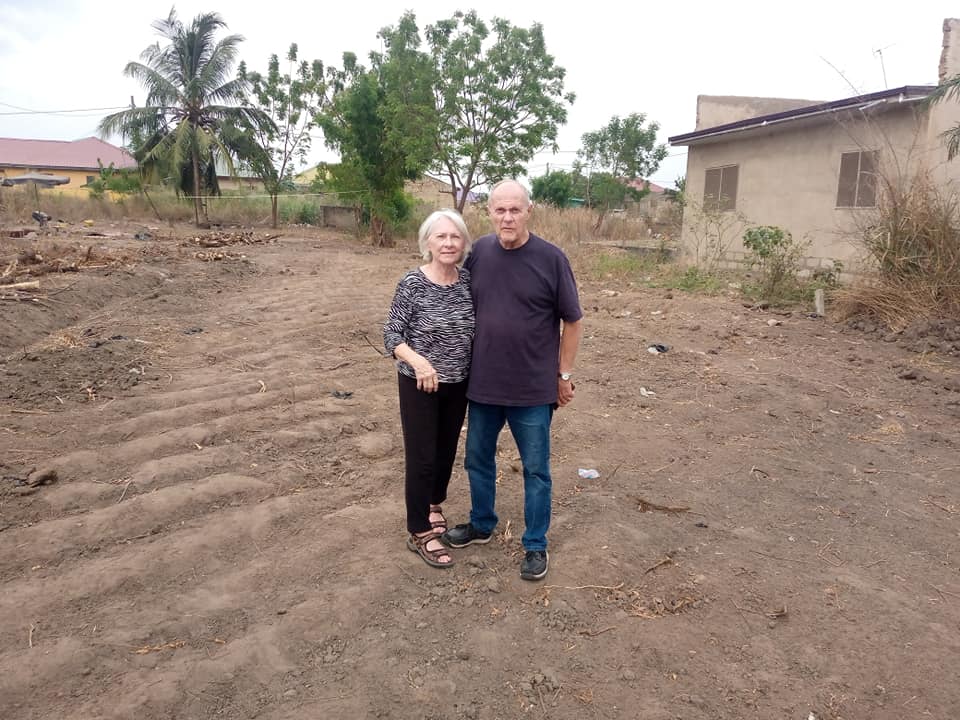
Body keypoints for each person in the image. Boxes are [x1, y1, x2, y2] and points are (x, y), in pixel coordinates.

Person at [442, 180, 583, 581]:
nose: (507, 217)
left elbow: (573, 322)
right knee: (477, 460)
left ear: (529, 211)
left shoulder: (551, 259)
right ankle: (482, 524)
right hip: (483, 384)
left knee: (536, 470)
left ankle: (535, 544)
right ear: (488, 212)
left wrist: (564, 376)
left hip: (532, 390)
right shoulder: (479, 253)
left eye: (515, 210)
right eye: (500, 210)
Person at [384, 209, 475, 569]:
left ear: (464, 243)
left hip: (460, 381)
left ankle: (434, 503)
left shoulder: (468, 281)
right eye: (441, 237)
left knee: (446, 452)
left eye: (455, 237)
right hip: (419, 382)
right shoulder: (413, 283)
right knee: (421, 457)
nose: (449, 243)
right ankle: (419, 529)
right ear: (427, 243)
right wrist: (419, 361)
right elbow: (392, 334)